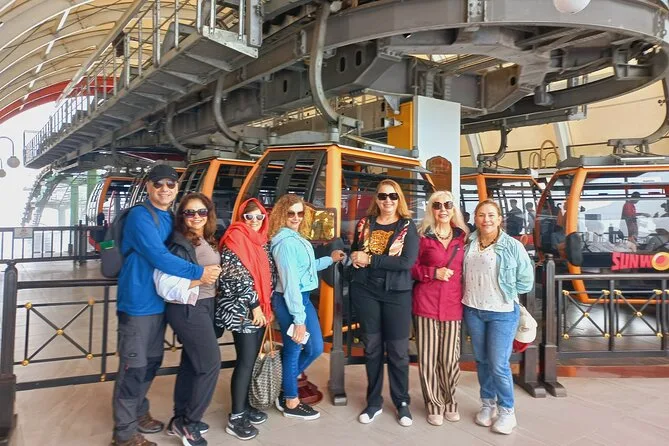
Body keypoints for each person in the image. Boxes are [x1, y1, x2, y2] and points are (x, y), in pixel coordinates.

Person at [112, 165, 221, 446]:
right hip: (137, 303)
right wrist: (199, 273)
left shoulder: (169, 218)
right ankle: (124, 434)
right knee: (133, 367)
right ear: (148, 186)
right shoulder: (140, 215)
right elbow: (158, 255)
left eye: (170, 184)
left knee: (150, 362)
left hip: (161, 302)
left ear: (176, 188)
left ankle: (138, 412)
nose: (164, 189)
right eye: (158, 183)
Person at [349, 180, 419, 427]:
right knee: (372, 348)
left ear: (399, 199)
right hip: (366, 291)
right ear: (376, 199)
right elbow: (356, 251)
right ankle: (374, 401)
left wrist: (370, 260)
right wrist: (355, 258)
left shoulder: (407, 227)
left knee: (398, 351)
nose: (388, 200)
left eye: (392, 196)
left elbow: (406, 262)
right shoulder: (364, 224)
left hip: (396, 294)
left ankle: (401, 401)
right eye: (382, 196)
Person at [269, 194, 345, 420]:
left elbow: (306, 268)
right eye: (290, 213)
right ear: (281, 215)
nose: (296, 217)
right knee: (294, 349)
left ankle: (284, 384)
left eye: (300, 213)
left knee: (314, 348)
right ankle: (290, 400)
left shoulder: (296, 237)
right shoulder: (284, 243)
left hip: (301, 299)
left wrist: (330, 259)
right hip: (290, 301)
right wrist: (298, 319)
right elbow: (290, 283)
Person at [154, 193, 222, 446]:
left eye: (201, 212)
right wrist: (200, 278)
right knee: (210, 363)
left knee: (192, 363)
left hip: (203, 304)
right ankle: (190, 423)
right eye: (189, 212)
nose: (196, 217)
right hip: (187, 307)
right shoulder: (179, 244)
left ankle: (180, 418)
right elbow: (165, 283)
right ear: (181, 216)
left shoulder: (205, 238)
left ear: (208, 214)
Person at [462, 199, 534, 435]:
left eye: (491, 215)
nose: (486, 220)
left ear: (500, 218)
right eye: (482, 215)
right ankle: (487, 404)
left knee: (498, 363)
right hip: (473, 309)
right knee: (482, 361)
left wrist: (507, 293)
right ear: (475, 218)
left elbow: (526, 280)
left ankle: (507, 411)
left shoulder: (512, 245)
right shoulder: (469, 243)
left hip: (502, 312)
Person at [216, 198, 274, 440]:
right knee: (245, 362)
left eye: (259, 216)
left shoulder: (262, 241)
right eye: (249, 216)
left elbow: (268, 273)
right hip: (244, 311)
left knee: (251, 361)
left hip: (261, 310)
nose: (254, 220)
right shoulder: (235, 238)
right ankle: (236, 417)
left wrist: (266, 306)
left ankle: (246, 406)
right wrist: (255, 306)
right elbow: (234, 277)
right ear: (242, 217)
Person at [411, 191, 469, 426]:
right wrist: (433, 273)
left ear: (454, 208)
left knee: (449, 359)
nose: (443, 209)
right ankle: (434, 403)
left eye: (447, 204)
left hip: (452, 305)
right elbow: (411, 267)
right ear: (431, 210)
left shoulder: (463, 238)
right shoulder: (422, 237)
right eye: (437, 205)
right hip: (426, 303)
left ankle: (450, 400)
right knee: (428, 358)